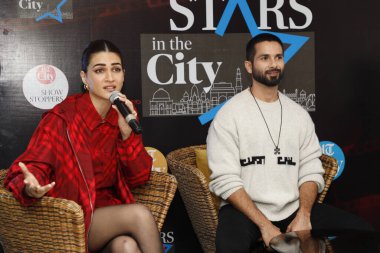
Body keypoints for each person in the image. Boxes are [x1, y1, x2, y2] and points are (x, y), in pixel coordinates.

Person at [206, 33, 373, 253]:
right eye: (264, 58)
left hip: (294, 208)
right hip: (245, 212)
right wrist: (264, 225)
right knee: (229, 247)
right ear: (249, 66)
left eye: (278, 57)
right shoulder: (229, 115)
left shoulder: (299, 115)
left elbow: (311, 170)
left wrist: (304, 214)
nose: (273, 64)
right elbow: (226, 180)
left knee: (364, 232)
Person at [4, 40, 163, 253]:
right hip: (72, 218)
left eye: (116, 69)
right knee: (139, 214)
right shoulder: (63, 117)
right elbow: (34, 166)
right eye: (99, 70)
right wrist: (30, 185)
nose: (109, 78)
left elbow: (139, 178)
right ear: (84, 77)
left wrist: (127, 135)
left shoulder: (124, 114)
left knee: (127, 246)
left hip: (109, 214)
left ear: (123, 74)